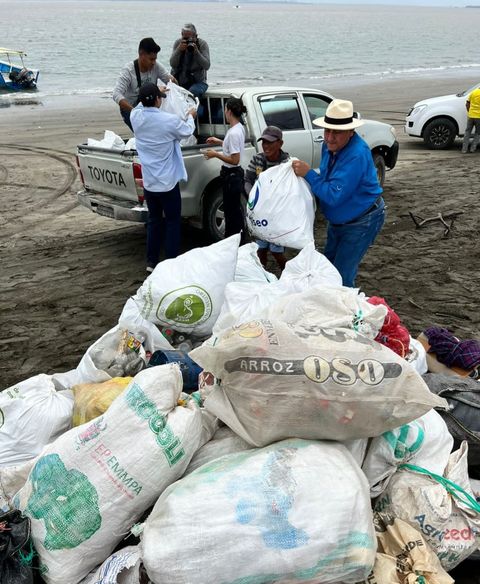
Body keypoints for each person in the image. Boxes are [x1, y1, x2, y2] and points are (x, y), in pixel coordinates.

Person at [292, 98, 385, 288]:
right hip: (339, 221)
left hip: (361, 220)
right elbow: (328, 176)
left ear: (351, 132)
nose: (329, 137)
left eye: (337, 132)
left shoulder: (356, 154)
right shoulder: (328, 146)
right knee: (328, 267)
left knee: (342, 275)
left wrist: (308, 173)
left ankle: (346, 304)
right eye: (327, 130)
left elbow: (333, 195)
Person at [130, 82, 196, 272]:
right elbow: (187, 131)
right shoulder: (168, 120)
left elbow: (139, 105)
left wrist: (153, 93)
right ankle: (170, 263)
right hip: (167, 183)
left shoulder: (136, 118)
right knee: (173, 222)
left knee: (154, 221)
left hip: (150, 183)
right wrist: (191, 116)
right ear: (158, 100)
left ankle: (151, 262)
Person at [244, 126, 289, 271]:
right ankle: (262, 274)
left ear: (280, 143)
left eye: (270, 142)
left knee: (276, 251)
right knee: (260, 248)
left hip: (277, 213)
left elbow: (289, 188)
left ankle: (288, 274)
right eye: (264, 142)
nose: (266, 146)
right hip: (260, 212)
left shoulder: (286, 163)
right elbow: (248, 180)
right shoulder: (257, 159)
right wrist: (252, 198)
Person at [203, 98, 247, 240]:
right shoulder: (239, 127)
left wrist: (215, 154)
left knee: (231, 213)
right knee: (234, 211)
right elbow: (232, 147)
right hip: (234, 175)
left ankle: (233, 241)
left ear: (229, 111)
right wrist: (219, 141)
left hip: (231, 175)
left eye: (225, 109)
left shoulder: (234, 133)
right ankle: (238, 239)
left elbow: (235, 160)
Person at [113, 37, 175, 131]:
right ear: (141, 54)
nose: (154, 63)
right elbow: (116, 94)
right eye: (151, 59)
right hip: (131, 108)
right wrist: (135, 111)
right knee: (145, 132)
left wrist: (172, 81)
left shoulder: (156, 66)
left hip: (150, 106)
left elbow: (172, 82)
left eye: (155, 59)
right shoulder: (129, 70)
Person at [170, 23, 210, 99]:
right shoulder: (178, 43)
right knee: (169, 91)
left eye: (190, 39)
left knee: (192, 92)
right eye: (185, 38)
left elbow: (207, 65)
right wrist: (179, 50)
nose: (188, 41)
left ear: (196, 36)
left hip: (198, 82)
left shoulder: (202, 44)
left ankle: (195, 106)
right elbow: (172, 64)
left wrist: (196, 52)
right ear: (182, 35)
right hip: (179, 80)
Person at [461, 85, 480, 153]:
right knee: (478, 133)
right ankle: (472, 149)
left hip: (471, 115)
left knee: (467, 132)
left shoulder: (473, 92)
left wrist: (469, 112)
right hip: (479, 117)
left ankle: (464, 149)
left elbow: (467, 104)